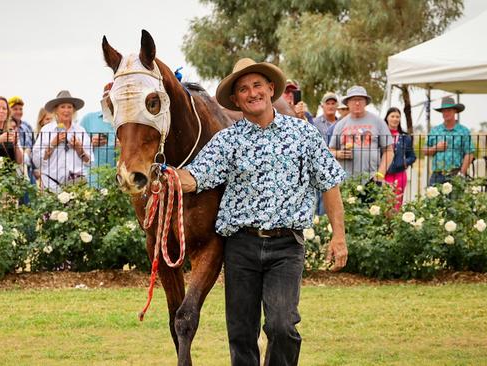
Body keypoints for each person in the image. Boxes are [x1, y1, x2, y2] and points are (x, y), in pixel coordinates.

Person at [176, 58, 348, 365]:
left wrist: (339, 236)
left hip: (286, 246)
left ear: (270, 89)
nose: (251, 92)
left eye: (257, 85)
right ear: (235, 99)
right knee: (241, 332)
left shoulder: (303, 134)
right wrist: (167, 176)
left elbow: (329, 183)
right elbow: (196, 177)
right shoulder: (227, 140)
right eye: (243, 89)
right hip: (241, 246)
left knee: (282, 326)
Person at [329, 85, 394, 181]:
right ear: (347, 103)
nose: (357, 103)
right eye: (353, 100)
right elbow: (330, 151)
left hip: (372, 179)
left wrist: (380, 174)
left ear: (366, 102)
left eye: (361, 99)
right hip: (346, 182)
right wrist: (338, 154)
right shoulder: (340, 125)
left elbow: (389, 151)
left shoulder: (378, 122)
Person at [32, 90, 92, 193]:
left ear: (73, 110)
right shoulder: (46, 130)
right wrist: (52, 145)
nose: (66, 110)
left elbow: (89, 162)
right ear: (56, 110)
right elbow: (37, 161)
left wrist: (79, 149)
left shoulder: (80, 131)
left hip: (76, 185)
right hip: (51, 184)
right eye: (62, 107)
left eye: (69, 107)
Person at [424, 97, 475, 185]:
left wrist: (462, 173)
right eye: (444, 111)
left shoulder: (463, 131)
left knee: (456, 199)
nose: (446, 113)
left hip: (456, 173)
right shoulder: (434, 130)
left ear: (455, 111)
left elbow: (469, 153)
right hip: (437, 174)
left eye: (449, 110)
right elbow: (425, 151)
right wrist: (436, 148)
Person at [79, 82, 116, 186]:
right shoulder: (88, 119)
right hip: (94, 181)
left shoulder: (128, 122)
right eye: (107, 97)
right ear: (103, 99)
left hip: (120, 181)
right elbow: (74, 149)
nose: (110, 101)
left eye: (114, 97)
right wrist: (90, 143)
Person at [383, 107, 416, 210]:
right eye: (392, 116)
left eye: (397, 117)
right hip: (384, 174)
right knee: (385, 204)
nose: (395, 119)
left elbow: (412, 156)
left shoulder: (405, 137)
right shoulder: (381, 136)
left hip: (400, 175)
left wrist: (404, 163)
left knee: (396, 204)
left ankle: (394, 225)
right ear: (387, 118)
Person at [8, 96, 35, 183]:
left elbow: (34, 147)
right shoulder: (7, 127)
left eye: (20, 109)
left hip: (29, 169)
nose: (19, 112)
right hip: (14, 171)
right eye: (15, 109)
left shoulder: (27, 126)